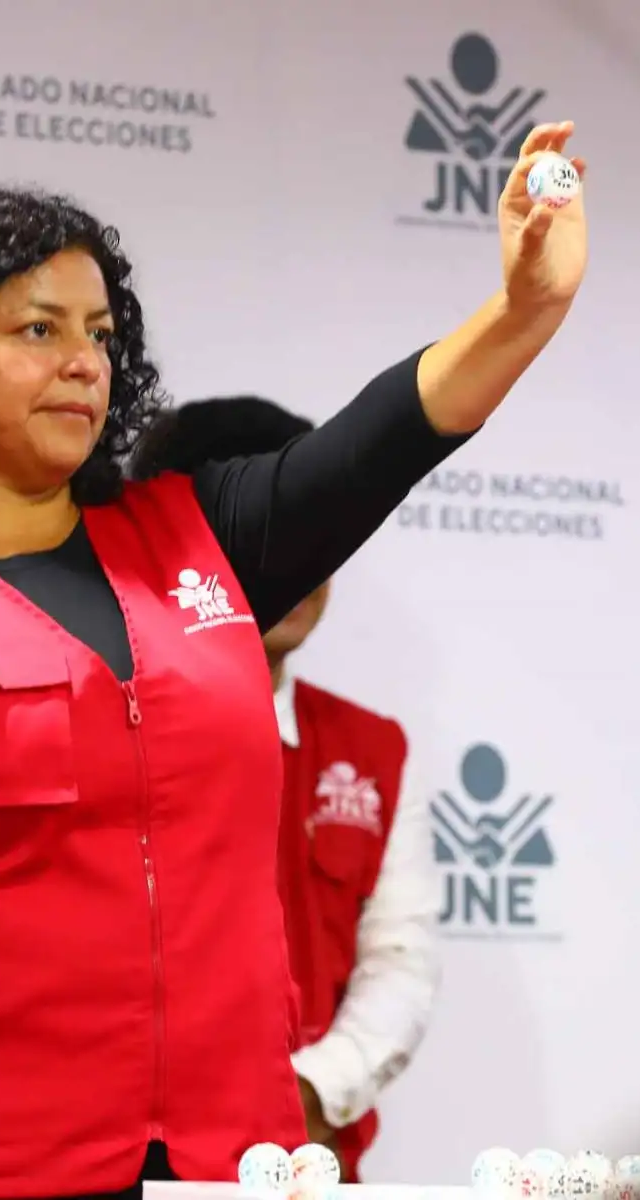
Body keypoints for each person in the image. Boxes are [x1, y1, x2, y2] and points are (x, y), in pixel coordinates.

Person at [0, 121, 587, 1200]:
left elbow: (387, 437)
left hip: (228, 1162)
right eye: (38, 329)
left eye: (98, 331)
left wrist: (524, 311)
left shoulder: (203, 539)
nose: (84, 360)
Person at [130, 398, 441, 1183]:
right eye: (278, 532)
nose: (307, 564)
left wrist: (307, 1092)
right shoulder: (101, 720)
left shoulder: (371, 750)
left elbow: (401, 961)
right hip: (123, 1159)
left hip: (306, 1161)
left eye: (324, 534)